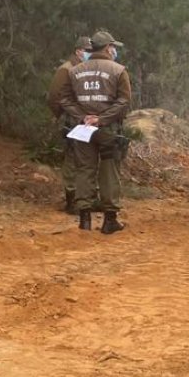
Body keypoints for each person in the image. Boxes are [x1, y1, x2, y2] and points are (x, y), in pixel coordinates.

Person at [60, 30, 132, 234]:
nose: (114, 50)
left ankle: (84, 219)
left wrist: (82, 117)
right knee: (109, 170)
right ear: (108, 48)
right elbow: (124, 101)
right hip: (108, 129)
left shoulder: (75, 70)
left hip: (83, 129)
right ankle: (110, 220)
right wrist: (102, 119)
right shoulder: (119, 70)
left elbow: (64, 99)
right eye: (114, 47)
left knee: (84, 169)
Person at [47, 35, 91, 213]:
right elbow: (54, 97)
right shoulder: (66, 69)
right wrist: (63, 116)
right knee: (72, 160)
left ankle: (83, 198)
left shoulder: (85, 68)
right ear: (78, 51)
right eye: (87, 51)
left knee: (85, 160)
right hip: (70, 121)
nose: (89, 54)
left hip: (83, 121)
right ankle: (71, 200)